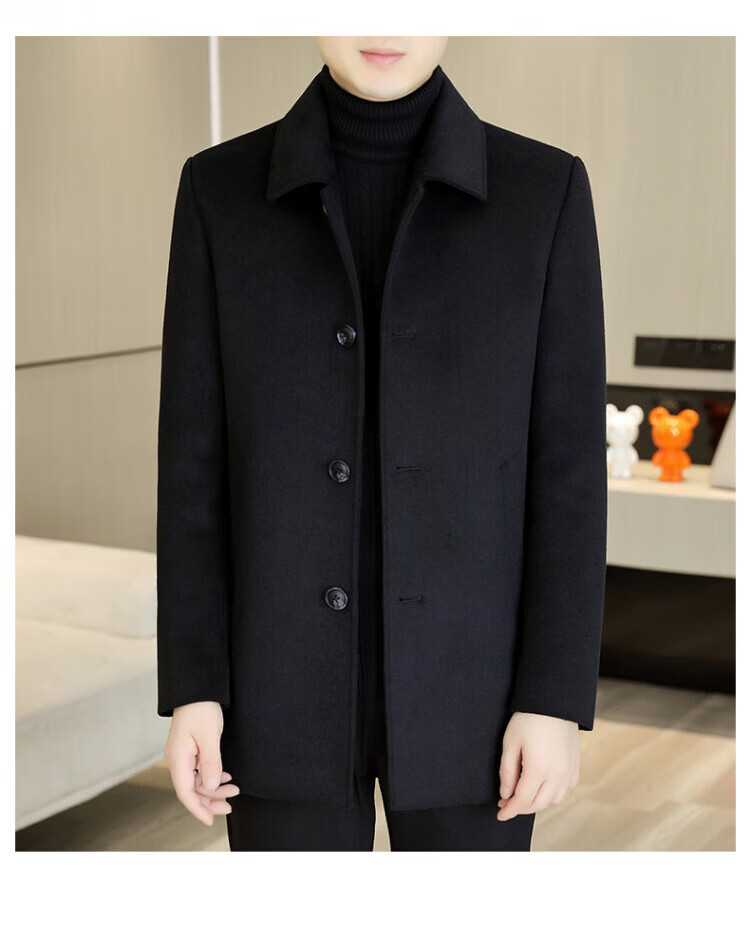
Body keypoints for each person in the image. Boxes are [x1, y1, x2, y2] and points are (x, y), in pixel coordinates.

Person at [157, 36, 607, 851]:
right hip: (275, 691)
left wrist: (553, 696)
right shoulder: (218, 191)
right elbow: (193, 469)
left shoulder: (545, 192)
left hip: (477, 695)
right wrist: (195, 685)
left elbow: (569, 473)